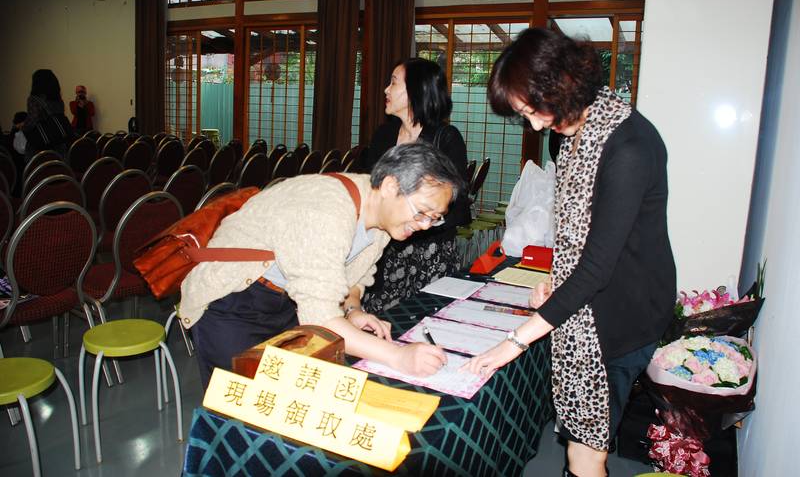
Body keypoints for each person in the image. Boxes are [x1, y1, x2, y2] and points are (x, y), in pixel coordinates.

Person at [463, 28, 676, 477]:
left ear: (562, 83)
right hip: (592, 301)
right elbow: (577, 232)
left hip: (623, 314)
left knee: (586, 451)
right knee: (579, 444)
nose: (536, 126)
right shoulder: (569, 134)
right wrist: (556, 279)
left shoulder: (630, 146)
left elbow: (597, 265)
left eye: (534, 111)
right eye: (525, 115)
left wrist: (514, 342)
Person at [182, 142, 465, 389]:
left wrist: (353, 309)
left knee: (288, 396)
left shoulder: (381, 216)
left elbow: (355, 277)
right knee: (240, 405)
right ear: (391, 186)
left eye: (434, 218)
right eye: (422, 212)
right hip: (233, 300)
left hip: (287, 300)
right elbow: (319, 319)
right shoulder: (327, 211)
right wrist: (398, 356)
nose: (424, 225)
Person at [362, 58, 470, 313]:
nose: (386, 90)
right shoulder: (383, 135)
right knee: (380, 321)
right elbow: (368, 190)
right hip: (383, 251)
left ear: (416, 91)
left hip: (428, 254)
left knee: (423, 320)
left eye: (393, 83)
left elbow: (458, 207)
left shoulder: (446, 138)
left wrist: (414, 223)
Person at [24, 69, 73, 160]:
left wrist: (23, 126)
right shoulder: (58, 100)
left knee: (39, 168)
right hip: (60, 144)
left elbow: (32, 120)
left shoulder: (34, 99)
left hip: (42, 146)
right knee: (58, 167)